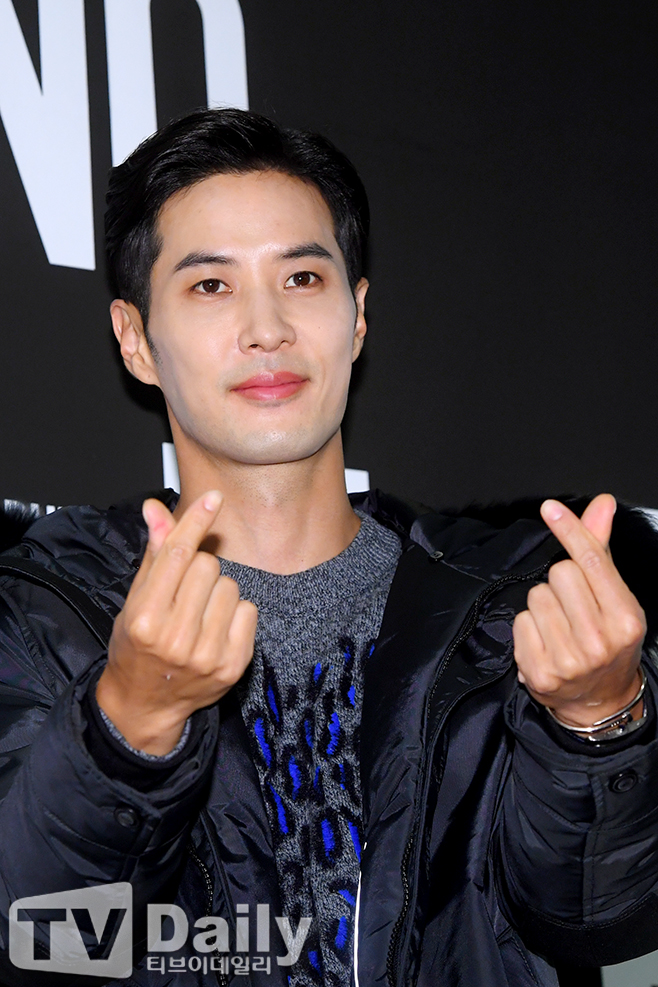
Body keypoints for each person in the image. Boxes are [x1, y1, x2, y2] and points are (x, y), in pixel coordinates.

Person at [0, 107, 658, 987]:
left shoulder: (507, 601)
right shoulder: (47, 610)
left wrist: (601, 719)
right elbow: (38, 945)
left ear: (355, 316)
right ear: (134, 339)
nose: (266, 327)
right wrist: (125, 725)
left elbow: (599, 921)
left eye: (302, 277)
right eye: (210, 286)